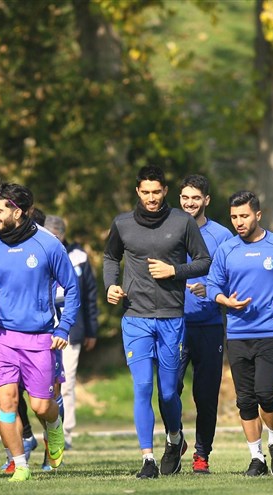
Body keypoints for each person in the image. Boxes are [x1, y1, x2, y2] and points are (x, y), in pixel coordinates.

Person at [103, 165, 211, 479]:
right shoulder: (122, 224)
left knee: (167, 393)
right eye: (145, 192)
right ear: (138, 192)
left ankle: (175, 439)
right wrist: (111, 284)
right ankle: (147, 459)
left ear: (164, 191)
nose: (151, 198)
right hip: (135, 317)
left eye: (156, 192)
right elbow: (111, 257)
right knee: (142, 386)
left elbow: (204, 261)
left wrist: (174, 271)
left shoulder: (182, 222)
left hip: (171, 318)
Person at [0, 182, 80, 482]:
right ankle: (20, 463)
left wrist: (64, 327)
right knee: (6, 402)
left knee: (40, 405)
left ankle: (54, 427)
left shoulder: (48, 245)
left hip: (40, 339)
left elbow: (72, 288)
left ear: (17, 212)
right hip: (2, 339)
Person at [207, 190, 273, 476]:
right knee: (245, 401)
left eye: (244, 216)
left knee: (265, 393)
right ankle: (256, 457)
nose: (239, 222)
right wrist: (226, 301)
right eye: (234, 217)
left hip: (271, 331)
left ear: (258, 215)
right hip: (237, 334)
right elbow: (213, 286)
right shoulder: (226, 250)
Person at [165, 174, 233, 474]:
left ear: (206, 200)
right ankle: (175, 439)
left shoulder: (222, 236)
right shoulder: (168, 230)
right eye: (184, 198)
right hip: (172, 324)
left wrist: (211, 289)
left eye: (195, 198)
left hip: (209, 327)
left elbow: (235, 278)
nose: (189, 203)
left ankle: (201, 455)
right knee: (168, 390)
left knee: (205, 395)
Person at [46, 214, 100, 450]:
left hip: (72, 330)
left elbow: (89, 295)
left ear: (64, 235)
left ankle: (65, 434)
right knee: (45, 384)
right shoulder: (36, 253)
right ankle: (48, 429)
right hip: (41, 329)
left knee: (65, 383)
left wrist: (92, 329)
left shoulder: (78, 257)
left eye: (57, 234)